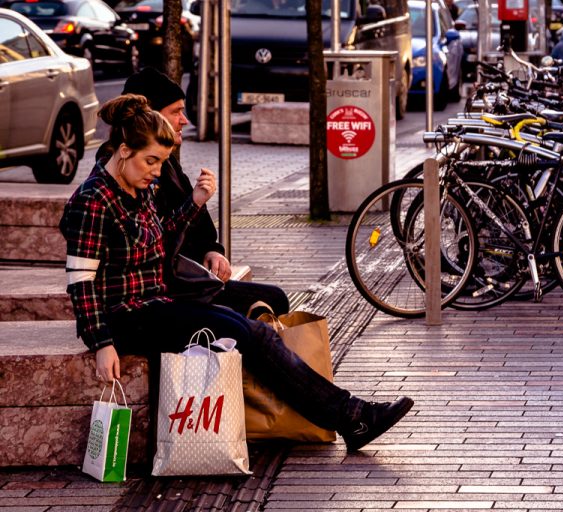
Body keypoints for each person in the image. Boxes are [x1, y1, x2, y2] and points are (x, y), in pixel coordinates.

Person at [61, 94, 414, 452]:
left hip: (158, 304)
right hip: (127, 317)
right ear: (123, 151)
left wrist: (194, 202)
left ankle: (351, 416)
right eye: (151, 161)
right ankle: (352, 416)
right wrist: (102, 343)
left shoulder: (137, 190)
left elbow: (160, 238)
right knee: (246, 333)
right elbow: (80, 282)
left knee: (253, 329)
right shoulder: (93, 201)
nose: (156, 172)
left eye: (161, 162)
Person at [95, 67, 289, 318]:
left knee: (266, 307)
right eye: (176, 112)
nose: (184, 120)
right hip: (163, 291)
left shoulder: (166, 162)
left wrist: (212, 249)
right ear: (150, 117)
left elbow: (190, 224)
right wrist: (194, 203)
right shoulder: (121, 170)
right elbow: (155, 242)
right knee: (252, 317)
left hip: (184, 278)